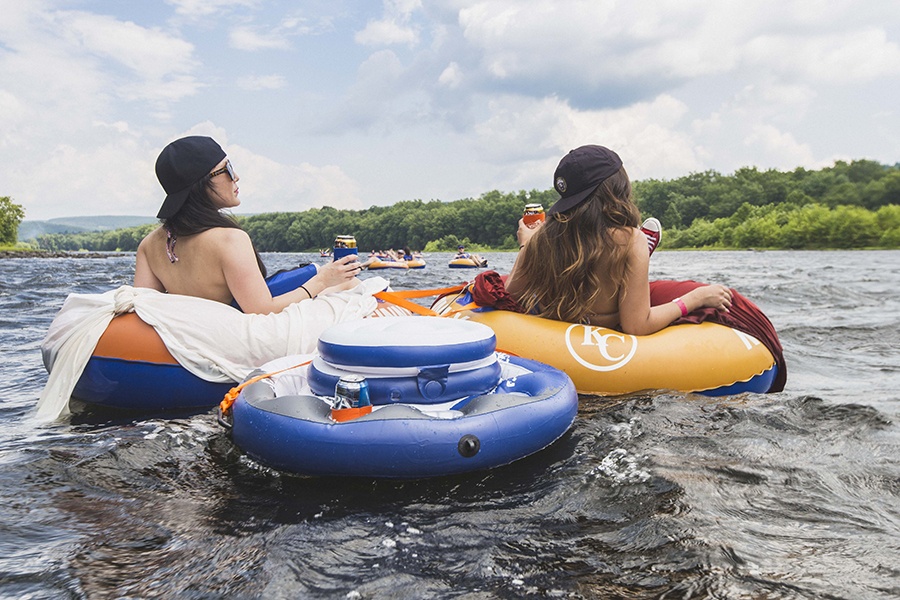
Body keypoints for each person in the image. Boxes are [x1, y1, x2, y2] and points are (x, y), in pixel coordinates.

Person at [506, 144, 732, 336]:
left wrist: (527, 244)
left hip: (554, 327)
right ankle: (631, 262)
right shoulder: (631, 239)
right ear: (617, 188)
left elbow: (511, 293)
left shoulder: (544, 236)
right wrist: (695, 298)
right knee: (625, 254)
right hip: (603, 329)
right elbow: (637, 326)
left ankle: (628, 263)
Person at [134, 136, 361, 314]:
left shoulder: (148, 245)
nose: (237, 177)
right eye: (228, 169)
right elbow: (262, 309)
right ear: (203, 183)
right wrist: (322, 280)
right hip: (232, 329)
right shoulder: (230, 239)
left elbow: (145, 308)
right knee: (348, 284)